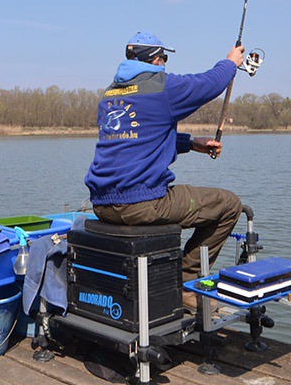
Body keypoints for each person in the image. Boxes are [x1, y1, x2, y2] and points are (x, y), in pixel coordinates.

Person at [83, 31, 246, 296]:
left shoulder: (110, 95)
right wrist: (230, 63)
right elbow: (208, 84)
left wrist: (191, 143)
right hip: (140, 204)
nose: (165, 64)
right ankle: (185, 287)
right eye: (164, 58)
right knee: (229, 205)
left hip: (102, 204)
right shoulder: (161, 86)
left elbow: (138, 137)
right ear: (155, 59)